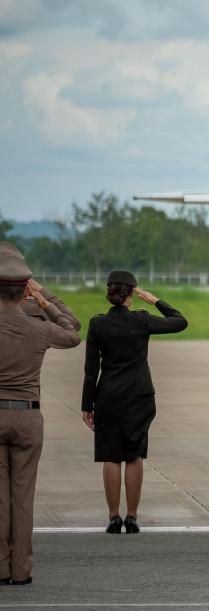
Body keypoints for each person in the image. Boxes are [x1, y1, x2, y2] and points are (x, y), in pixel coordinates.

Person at [81, 271, 188, 533]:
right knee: (134, 455)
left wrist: (87, 405)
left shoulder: (97, 324)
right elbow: (180, 322)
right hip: (139, 396)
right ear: (131, 292)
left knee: (110, 456)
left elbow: (90, 371)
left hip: (108, 396)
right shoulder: (141, 320)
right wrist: (155, 301)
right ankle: (132, 516)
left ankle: (113, 517)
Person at [0, 241, 80, 586]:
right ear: (23, 289)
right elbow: (72, 329)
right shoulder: (38, 324)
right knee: (23, 495)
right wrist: (44, 298)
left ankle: (1, 568)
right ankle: (21, 570)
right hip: (28, 417)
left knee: (0, 498)